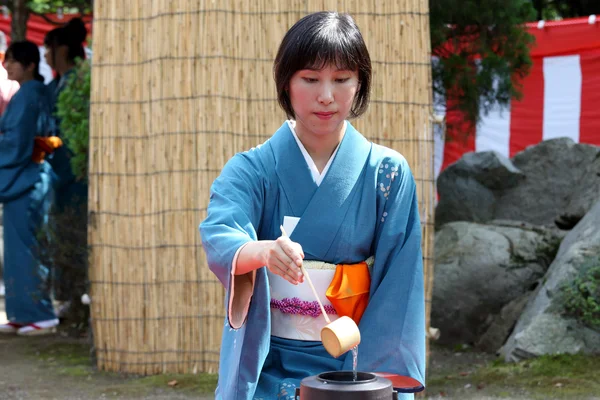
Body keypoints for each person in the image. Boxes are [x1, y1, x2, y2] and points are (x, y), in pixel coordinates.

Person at [200, 11, 425, 400]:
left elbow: (398, 286)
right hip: (270, 362)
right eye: (310, 78)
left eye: (341, 79)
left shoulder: (387, 173)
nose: (326, 95)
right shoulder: (252, 170)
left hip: (357, 363)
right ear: (285, 83)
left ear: (360, 84)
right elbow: (221, 233)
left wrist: (380, 381)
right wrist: (264, 251)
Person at [0, 41, 58, 336]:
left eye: (12, 61)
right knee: (19, 248)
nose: (6, 65)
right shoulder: (31, 93)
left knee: (28, 248)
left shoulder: (29, 96)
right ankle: (23, 313)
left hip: (27, 176)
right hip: (27, 175)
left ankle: (41, 313)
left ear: (29, 65)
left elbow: (16, 142)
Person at [43, 17, 88, 309]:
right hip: (59, 174)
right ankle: (67, 297)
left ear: (60, 50)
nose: (45, 55)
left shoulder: (77, 82)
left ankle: (74, 298)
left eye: (48, 49)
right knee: (62, 235)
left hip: (74, 175)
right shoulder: (58, 84)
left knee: (73, 235)